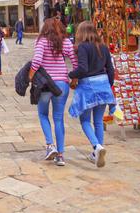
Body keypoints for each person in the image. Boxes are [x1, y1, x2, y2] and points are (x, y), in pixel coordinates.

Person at [29, 18, 77, 166]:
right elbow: (75, 62)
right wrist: (74, 80)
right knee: (58, 119)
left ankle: (50, 145)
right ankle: (61, 155)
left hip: (45, 84)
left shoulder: (42, 41)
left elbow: (36, 61)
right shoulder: (66, 42)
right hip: (62, 84)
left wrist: (30, 77)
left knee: (43, 114)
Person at [67, 21, 116, 168]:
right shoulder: (103, 47)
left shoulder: (83, 47)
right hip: (103, 84)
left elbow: (83, 68)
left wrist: (70, 74)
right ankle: (96, 152)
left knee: (85, 120)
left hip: (88, 86)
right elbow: (111, 69)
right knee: (99, 121)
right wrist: (109, 85)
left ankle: (96, 146)